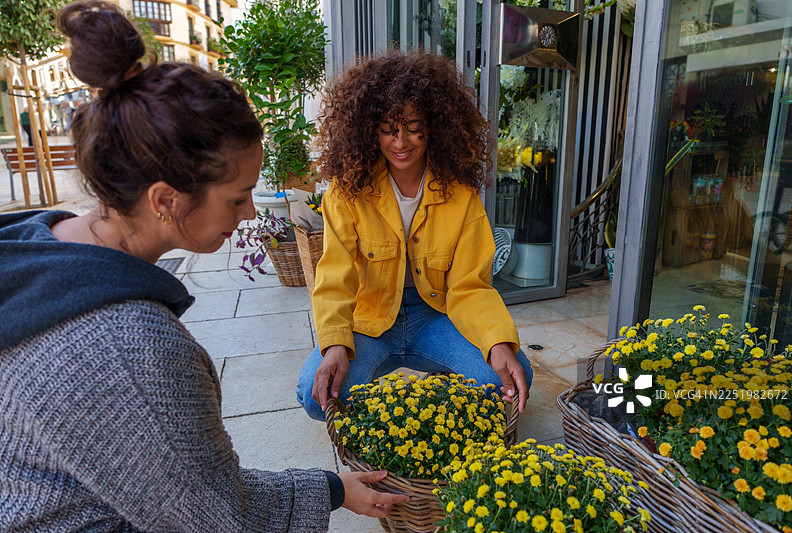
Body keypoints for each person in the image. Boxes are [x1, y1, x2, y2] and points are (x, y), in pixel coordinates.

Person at [0, 2, 406, 531]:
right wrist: (327, 492)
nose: (252, 213)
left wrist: (330, 487)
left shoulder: (35, 242)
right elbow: (219, 516)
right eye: (238, 197)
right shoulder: (132, 351)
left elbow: (185, 483)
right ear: (166, 199)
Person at [296, 51, 534, 422]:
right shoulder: (346, 192)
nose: (400, 141)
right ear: (369, 128)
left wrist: (496, 341)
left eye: (412, 125)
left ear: (435, 125)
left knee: (510, 375)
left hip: (438, 314)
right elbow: (334, 278)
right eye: (389, 128)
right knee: (316, 396)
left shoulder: (461, 195)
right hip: (371, 319)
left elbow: (470, 286)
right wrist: (335, 343)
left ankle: (446, 368)